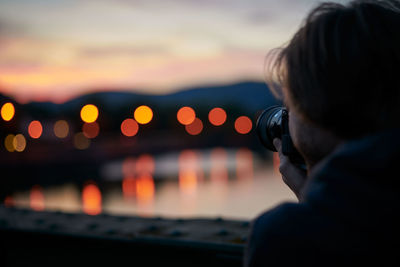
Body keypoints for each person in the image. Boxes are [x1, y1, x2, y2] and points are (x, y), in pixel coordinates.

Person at [244, 0, 400, 266]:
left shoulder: (285, 237)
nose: (287, 119)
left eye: (290, 105)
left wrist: (316, 209)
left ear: (318, 107)